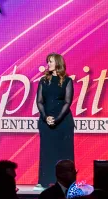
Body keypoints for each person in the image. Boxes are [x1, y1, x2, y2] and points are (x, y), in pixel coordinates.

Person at [36, 53, 75, 188]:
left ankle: (66, 184)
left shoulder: (67, 81)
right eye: (48, 62)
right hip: (46, 121)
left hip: (63, 122)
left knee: (64, 153)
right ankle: (44, 182)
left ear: (58, 63)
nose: (49, 64)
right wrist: (46, 117)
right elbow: (40, 101)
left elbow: (67, 102)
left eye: (51, 62)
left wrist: (57, 119)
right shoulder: (43, 80)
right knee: (47, 151)